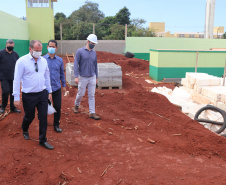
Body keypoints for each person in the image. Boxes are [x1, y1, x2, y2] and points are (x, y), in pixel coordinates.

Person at [13, 40, 54, 150]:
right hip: (28, 95)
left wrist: (49, 91)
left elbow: (47, 76)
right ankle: (25, 128)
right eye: (36, 50)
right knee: (29, 116)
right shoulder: (22, 61)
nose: (39, 52)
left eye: (40, 50)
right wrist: (16, 97)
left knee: (43, 118)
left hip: (42, 94)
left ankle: (42, 140)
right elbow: (16, 80)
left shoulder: (43, 61)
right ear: (30, 49)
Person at [73, 34, 100, 120]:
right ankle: (76, 105)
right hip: (83, 77)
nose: (93, 45)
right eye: (92, 43)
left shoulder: (94, 53)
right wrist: (76, 76)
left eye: (94, 44)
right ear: (88, 41)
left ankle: (92, 112)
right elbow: (75, 64)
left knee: (91, 95)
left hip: (92, 76)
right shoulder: (80, 51)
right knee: (81, 93)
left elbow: (95, 65)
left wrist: (96, 77)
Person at [43, 40, 66, 133]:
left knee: (57, 107)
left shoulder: (60, 60)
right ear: (47, 47)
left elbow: (61, 73)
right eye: (50, 46)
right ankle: (43, 123)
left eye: (53, 47)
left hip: (56, 87)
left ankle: (56, 124)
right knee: (44, 107)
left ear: (56, 48)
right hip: (45, 89)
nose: (51, 48)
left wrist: (64, 85)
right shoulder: (42, 59)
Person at [0, 39, 21, 114]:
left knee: (13, 92)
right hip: (4, 77)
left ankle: (13, 107)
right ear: (6, 45)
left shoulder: (15, 54)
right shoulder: (1, 53)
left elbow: (19, 66)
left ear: (14, 46)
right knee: (5, 91)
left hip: (14, 77)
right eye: (9, 46)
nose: (10, 47)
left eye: (11, 46)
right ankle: (3, 107)